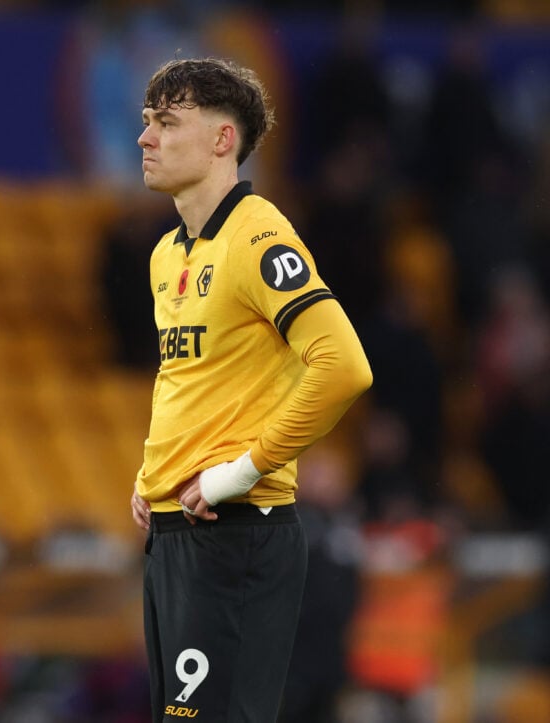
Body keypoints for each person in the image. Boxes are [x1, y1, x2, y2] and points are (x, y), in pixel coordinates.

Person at [128, 58, 373, 722]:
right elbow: (194, 375)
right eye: (147, 122)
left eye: (167, 122)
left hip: (235, 532)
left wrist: (239, 472)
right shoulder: (166, 254)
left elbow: (344, 365)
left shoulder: (258, 236)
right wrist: (154, 472)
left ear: (222, 140)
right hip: (176, 534)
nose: (146, 138)